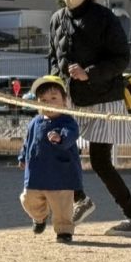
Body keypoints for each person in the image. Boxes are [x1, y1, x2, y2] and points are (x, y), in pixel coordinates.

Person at [48, 0, 131, 237]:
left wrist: (89, 73)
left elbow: (121, 58)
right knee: (60, 149)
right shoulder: (56, 20)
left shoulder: (104, 17)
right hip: (70, 101)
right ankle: (81, 200)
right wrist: (51, 88)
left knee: (101, 161)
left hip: (104, 98)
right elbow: (53, 59)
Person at [17, 75, 82, 244]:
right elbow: (28, 142)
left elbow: (71, 135)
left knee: (62, 207)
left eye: (54, 98)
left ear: (64, 100)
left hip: (62, 174)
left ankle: (64, 231)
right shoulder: (34, 122)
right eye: (43, 99)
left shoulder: (68, 121)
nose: (49, 103)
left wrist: (60, 138)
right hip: (37, 173)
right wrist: (23, 157)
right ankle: (39, 217)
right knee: (28, 198)